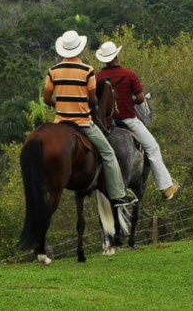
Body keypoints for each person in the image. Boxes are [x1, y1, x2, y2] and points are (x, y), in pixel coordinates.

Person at [43, 31, 136, 207]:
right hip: (82, 123)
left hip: (60, 123)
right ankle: (118, 195)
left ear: (63, 50)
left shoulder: (53, 71)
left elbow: (46, 99)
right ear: (79, 49)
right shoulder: (87, 71)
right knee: (108, 153)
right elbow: (93, 100)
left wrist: (61, 105)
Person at [96, 41, 180, 201]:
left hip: (105, 125)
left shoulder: (98, 77)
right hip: (127, 120)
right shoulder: (129, 74)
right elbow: (141, 99)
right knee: (152, 147)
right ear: (116, 55)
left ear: (103, 59)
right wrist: (130, 100)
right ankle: (166, 187)